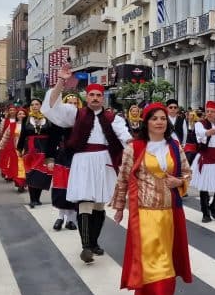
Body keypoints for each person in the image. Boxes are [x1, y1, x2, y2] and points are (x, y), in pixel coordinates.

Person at [110, 103, 193, 295]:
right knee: (151, 256)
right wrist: (119, 207)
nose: (159, 122)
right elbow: (124, 178)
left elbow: (187, 172)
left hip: (169, 210)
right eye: (154, 118)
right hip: (144, 211)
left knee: (164, 255)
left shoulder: (175, 147)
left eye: (163, 118)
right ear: (146, 122)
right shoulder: (134, 148)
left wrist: (180, 182)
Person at [42, 67, 132, 263]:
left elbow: (125, 137)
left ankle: (93, 242)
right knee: (84, 202)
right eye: (91, 94)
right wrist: (60, 82)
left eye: (98, 95)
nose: (95, 98)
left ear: (103, 98)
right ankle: (85, 246)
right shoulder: (75, 114)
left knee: (99, 205)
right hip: (82, 162)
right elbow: (52, 107)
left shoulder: (112, 118)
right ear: (86, 96)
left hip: (104, 162)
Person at [49, 93, 80, 231]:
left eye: (75, 103)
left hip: (78, 157)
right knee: (61, 187)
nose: (73, 106)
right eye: (70, 103)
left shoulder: (83, 120)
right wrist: (50, 158)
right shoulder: (58, 120)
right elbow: (52, 140)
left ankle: (71, 219)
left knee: (75, 188)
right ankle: (60, 217)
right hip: (61, 157)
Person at [18, 99, 53, 208]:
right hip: (30, 150)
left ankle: (37, 198)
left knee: (41, 175)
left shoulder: (48, 119)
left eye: (37, 104)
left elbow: (52, 135)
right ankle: (33, 199)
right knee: (31, 174)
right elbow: (23, 135)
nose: (34, 106)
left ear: (41, 106)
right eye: (32, 104)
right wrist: (19, 149)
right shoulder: (27, 119)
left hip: (44, 149)